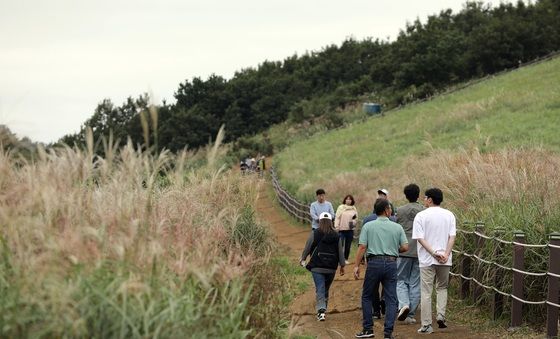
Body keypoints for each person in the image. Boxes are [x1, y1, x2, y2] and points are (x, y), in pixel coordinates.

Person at [354, 199, 408, 339]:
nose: (391, 211)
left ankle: (368, 329)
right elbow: (405, 247)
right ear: (386, 210)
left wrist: (356, 265)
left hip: (373, 263)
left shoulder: (368, 226)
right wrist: (392, 249)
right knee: (391, 299)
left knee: (367, 296)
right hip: (391, 263)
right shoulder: (397, 227)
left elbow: (362, 247)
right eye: (390, 208)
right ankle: (388, 333)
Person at [412, 188, 456, 334]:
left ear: (430, 199)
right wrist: (445, 254)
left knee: (426, 291)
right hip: (445, 259)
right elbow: (452, 237)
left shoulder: (420, 216)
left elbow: (420, 238)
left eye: (425, 198)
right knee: (442, 287)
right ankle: (441, 315)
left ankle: (426, 325)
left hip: (427, 259)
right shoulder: (449, 215)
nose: (424, 200)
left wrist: (433, 253)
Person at [300, 212, 345, 321]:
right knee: (325, 288)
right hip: (331, 267)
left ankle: (321, 311)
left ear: (320, 221)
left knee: (320, 287)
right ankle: (323, 309)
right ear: (331, 221)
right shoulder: (336, 235)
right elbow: (340, 251)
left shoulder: (315, 233)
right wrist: (342, 265)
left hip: (317, 266)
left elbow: (308, 246)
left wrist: (303, 258)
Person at [395, 184, 424, 324]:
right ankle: (411, 314)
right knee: (415, 283)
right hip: (420, 251)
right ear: (418, 195)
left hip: (403, 250)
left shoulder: (399, 211)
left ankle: (403, 305)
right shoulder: (424, 211)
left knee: (401, 280)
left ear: (406, 196)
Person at [334, 194, 358, 264]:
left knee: (348, 246)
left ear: (352, 201)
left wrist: (353, 223)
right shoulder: (341, 207)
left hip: (350, 230)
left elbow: (355, 218)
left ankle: (345, 259)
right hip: (341, 230)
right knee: (340, 245)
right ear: (345, 200)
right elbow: (337, 217)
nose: (348, 200)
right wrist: (336, 226)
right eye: (347, 199)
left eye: (350, 199)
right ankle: (339, 260)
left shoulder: (354, 208)